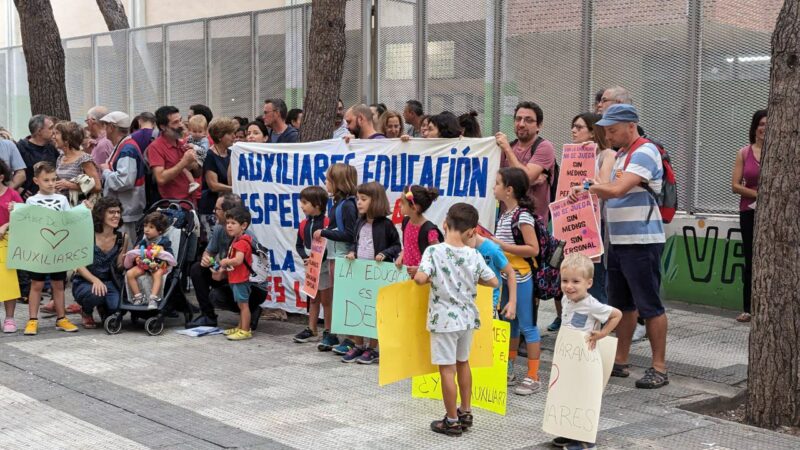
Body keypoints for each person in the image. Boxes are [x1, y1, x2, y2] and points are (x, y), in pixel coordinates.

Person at [572, 104, 669, 389]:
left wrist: (591, 188)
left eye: (612, 130)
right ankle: (621, 360)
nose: (608, 136)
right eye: (605, 130)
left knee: (649, 305)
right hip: (617, 240)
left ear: (631, 125)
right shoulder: (622, 155)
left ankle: (659, 367)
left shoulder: (645, 151)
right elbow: (606, 186)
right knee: (623, 305)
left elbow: (616, 189)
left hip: (641, 240)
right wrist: (588, 186)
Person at [414, 202, 498, 436]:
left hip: (443, 320)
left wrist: (424, 275)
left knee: (447, 369)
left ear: (445, 224)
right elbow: (493, 282)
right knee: (463, 363)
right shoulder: (474, 254)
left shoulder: (433, 251)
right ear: (472, 232)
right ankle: (466, 411)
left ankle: (451, 420)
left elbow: (421, 279)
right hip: (467, 319)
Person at [548, 112, 616, 332]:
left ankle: (599, 331)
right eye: (573, 126)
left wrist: (585, 187)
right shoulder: (572, 155)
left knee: (593, 281)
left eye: (579, 127)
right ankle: (573, 329)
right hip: (573, 222)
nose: (574, 131)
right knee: (572, 277)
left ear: (593, 131)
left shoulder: (606, 154)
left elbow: (603, 184)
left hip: (596, 226)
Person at [549, 253, 622, 450]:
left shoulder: (591, 304)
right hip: (569, 356)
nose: (569, 286)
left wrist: (602, 333)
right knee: (567, 391)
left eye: (575, 281)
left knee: (583, 395)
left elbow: (616, 315)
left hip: (585, 357)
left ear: (588, 283)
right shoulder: (566, 300)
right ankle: (569, 431)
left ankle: (585, 440)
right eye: (565, 281)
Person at [491, 167, 542, 395]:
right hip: (504, 279)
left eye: (497, 184)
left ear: (509, 190)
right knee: (508, 323)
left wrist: (501, 246)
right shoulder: (504, 215)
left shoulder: (522, 215)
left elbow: (533, 249)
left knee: (527, 325)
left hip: (521, 277)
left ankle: (533, 375)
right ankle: (508, 368)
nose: (494, 188)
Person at [341, 181, 401, 364]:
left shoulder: (387, 225)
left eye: (363, 199)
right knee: (358, 309)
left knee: (374, 311)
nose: (359, 202)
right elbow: (355, 242)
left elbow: (397, 246)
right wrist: (352, 252)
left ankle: (372, 348)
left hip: (377, 276)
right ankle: (358, 345)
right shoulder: (359, 222)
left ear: (375, 201)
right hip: (360, 273)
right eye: (358, 198)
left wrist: (384, 253)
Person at [188, 193, 261, 328]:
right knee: (197, 268)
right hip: (229, 273)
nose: (214, 212)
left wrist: (223, 272)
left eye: (217, 209)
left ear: (228, 212)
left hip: (248, 282)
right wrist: (206, 260)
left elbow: (245, 268)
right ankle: (208, 316)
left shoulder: (246, 238)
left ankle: (251, 310)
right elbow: (209, 251)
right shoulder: (219, 228)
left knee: (217, 296)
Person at [23, 161, 77, 335]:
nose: (51, 183)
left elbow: (69, 220)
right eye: (46, 180)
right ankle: (32, 320)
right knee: (37, 284)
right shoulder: (31, 201)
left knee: (58, 284)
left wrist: (84, 211)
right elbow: (27, 223)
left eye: (54, 179)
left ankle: (61, 318)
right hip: (39, 250)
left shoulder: (62, 199)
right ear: (36, 180)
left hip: (57, 249)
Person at [314, 163, 358, 353]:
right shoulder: (338, 204)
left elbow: (349, 234)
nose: (325, 183)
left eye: (328, 180)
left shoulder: (348, 205)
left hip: (343, 257)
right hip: (334, 256)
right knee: (337, 298)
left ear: (338, 182)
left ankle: (350, 339)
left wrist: (324, 232)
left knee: (346, 298)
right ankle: (334, 333)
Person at [495, 101, 556, 223]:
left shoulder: (545, 147)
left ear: (539, 126)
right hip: (505, 225)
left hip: (532, 225)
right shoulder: (507, 148)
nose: (521, 124)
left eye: (528, 120)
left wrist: (507, 150)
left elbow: (525, 179)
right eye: (518, 119)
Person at [731, 109, 766, 323]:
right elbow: (735, 186)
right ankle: (748, 308)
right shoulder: (744, 152)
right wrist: (759, 195)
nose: (765, 128)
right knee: (751, 259)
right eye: (761, 124)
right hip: (749, 212)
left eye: (769, 123)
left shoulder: (782, 150)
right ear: (754, 127)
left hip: (775, 215)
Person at [73, 197, 128, 329]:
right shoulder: (88, 234)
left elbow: (119, 267)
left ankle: (104, 307)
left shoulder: (122, 237)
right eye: (111, 212)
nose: (116, 216)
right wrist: (94, 280)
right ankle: (86, 311)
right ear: (101, 214)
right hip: (85, 280)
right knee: (95, 294)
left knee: (118, 307)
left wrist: (128, 259)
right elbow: (79, 265)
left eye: (118, 212)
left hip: (109, 281)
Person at [293, 186, 333, 345]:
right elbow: (299, 245)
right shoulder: (303, 224)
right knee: (313, 298)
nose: (302, 206)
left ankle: (329, 331)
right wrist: (305, 258)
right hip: (310, 266)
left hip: (324, 266)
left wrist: (318, 260)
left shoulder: (327, 223)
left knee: (327, 300)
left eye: (304, 202)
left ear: (317, 205)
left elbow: (330, 246)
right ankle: (312, 329)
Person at [99, 111, 147, 242]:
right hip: (124, 209)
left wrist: (106, 171)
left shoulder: (127, 149)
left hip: (126, 210)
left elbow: (124, 181)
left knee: (126, 248)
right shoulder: (124, 145)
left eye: (106, 126)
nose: (104, 130)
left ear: (112, 127)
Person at [148, 106, 202, 203]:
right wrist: (184, 162)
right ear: (163, 127)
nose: (181, 125)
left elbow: (197, 174)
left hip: (191, 203)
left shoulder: (183, 144)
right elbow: (160, 178)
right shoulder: (155, 147)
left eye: (180, 120)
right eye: (175, 122)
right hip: (173, 206)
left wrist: (194, 164)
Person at [218, 206, 255, 341]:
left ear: (243, 225)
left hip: (240, 279)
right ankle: (241, 327)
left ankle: (245, 330)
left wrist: (226, 261)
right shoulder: (237, 240)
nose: (229, 226)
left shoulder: (241, 243)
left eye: (233, 223)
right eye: (228, 223)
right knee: (241, 305)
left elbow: (238, 260)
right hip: (236, 278)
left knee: (243, 306)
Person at [124, 212, 175, 310]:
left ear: (159, 231)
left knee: (157, 274)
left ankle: (153, 298)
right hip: (144, 265)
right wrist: (136, 256)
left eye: (151, 227)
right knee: (130, 273)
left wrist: (162, 251)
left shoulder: (164, 241)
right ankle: (138, 297)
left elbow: (170, 256)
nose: (146, 229)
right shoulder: (144, 241)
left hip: (158, 265)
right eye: (145, 226)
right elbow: (136, 251)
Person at [198, 117, 237, 242]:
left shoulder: (231, 153)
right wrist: (235, 188)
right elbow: (213, 185)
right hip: (211, 208)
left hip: (227, 208)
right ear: (220, 136)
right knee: (214, 242)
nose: (234, 136)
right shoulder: (210, 156)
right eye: (230, 133)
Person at [395, 185, 442, 276]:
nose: (399, 204)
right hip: (406, 276)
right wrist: (401, 256)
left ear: (413, 208)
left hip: (422, 279)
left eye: (403, 202)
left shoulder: (429, 231)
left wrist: (420, 269)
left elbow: (437, 257)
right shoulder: (406, 221)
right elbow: (407, 246)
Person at [54, 121, 102, 206]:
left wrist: (70, 185)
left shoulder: (84, 159)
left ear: (67, 139)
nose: (53, 137)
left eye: (57, 133)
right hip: (63, 207)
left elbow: (97, 187)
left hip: (81, 208)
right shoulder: (60, 158)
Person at [0, 160, 23, 333]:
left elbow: (25, 218)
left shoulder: (12, 195)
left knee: (8, 280)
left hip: (8, 242)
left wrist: (8, 223)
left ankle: (9, 318)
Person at [17, 114, 59, 199]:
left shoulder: (51, 147)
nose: (54, 131)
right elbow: (9, 172)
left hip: (50, 197)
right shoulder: (20, 147)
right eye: (50, 128)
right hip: (29, 200)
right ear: (39, 131)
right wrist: (19, 189)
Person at [185, 114, 211, 194]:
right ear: (189, 130)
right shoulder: (190, 137)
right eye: (194, 131)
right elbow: (185, 143)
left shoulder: (204, 140)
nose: (197, 134)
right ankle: (192, 183)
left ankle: (193, 183)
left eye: (200, 131)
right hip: (193, 156)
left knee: (183, 167)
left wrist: (194, 146)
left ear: (205, 131)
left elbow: (204, 151)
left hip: (200, 159)